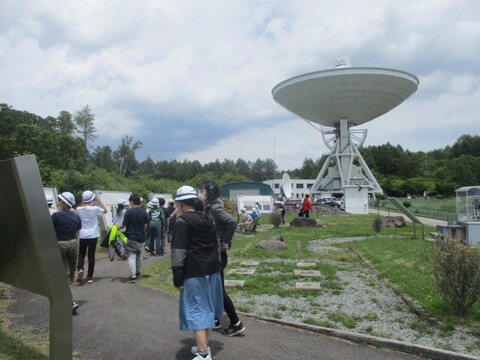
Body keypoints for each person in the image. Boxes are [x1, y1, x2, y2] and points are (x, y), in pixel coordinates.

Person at [171, 186, 223, 360]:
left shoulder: (182, 221)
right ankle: (204, 347)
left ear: (179, 203)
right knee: (207, 310)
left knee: (196, 310)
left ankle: (202, 354)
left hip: (194, 272)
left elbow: (178, 252)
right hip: (212, 270)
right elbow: (215, 245)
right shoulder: (208, 218)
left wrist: (177, 277)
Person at [199, 180, 245, 337]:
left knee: (219, 291)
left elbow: (231, 222)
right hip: (213, 254)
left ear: (209, 192)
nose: (201, 193)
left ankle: (236, 323)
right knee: (213, 289)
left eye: (202, 190)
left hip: (217, 255)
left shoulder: (216, 208)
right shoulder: (210, 207)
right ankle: (216, 319)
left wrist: (225, 242)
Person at [51, 192, 82, 313]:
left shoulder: (56, 216)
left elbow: (50, 231)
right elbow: (77, 232)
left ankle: (70, 301)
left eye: (59, 200)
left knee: (63, 274)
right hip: (73, 243)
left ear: (64, 203)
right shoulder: (76, 216)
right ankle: (68, 296)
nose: (57, 202)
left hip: (60, 244)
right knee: (70, 273)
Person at [76, 190, 108, 284]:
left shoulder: (78, 209)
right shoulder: (94, 209)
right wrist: (98, 201)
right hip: (93, 235)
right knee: (91, 255)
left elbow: (82, 205)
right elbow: (105, 210)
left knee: (81, 254)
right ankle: (90, 276)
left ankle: (80, 269)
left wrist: (85, 200)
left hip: (82, 235)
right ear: (92, 199)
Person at [117, 194, 148, 283]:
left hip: (131, 236)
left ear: (131, 202)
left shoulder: (129, 212)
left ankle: (133, 275)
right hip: (141, 236)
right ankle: (138, 272)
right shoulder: (144, 211)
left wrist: (115, 228)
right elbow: (145, 225)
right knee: (140, 255)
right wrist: (142, 232)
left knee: (131, 256)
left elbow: (124, 225)